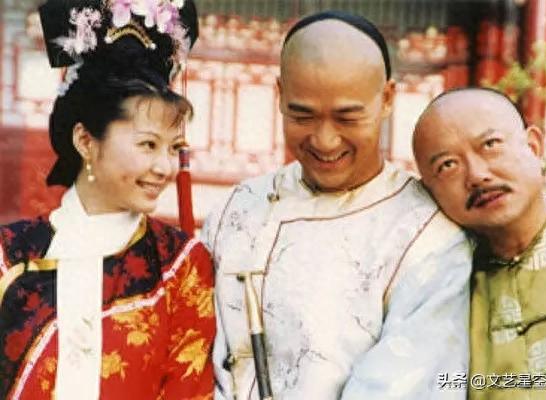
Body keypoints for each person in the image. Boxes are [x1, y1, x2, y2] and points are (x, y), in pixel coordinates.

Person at [201, 11, 472, 399]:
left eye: (348, 117)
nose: (325, 140)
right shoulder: (236, 209)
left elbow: (412, 383)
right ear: (280, 95)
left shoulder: (427, 238)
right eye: (303, 115)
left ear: (387, 99)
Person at [0, 1, 215, 399]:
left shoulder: (181, 266)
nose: (164, 167)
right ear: (85, 141)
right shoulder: (9, 256)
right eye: (148, 144)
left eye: (173, 148)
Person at [413, 87, 546, 399]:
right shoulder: (436, 283)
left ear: (534, 147)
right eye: (447, 165)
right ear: (430, 191)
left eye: (490, 145)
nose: (476, 175)